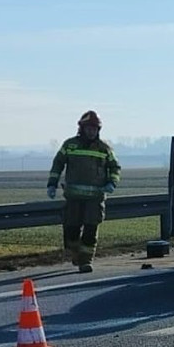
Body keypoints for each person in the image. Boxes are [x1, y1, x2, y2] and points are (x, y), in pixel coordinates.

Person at [47, 110, 122, 273]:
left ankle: (86, 261)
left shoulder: (104, 148)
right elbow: (58, 164)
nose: (91, 131)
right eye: (89, 128)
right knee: (71, 230)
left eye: (94, 128)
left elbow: (115, 167)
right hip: (73, 197)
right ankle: (75, 252)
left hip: (95, 198)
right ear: (82, 128)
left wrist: (112, 183)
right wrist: (52, 184)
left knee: (90, 230)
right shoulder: (70, 145)